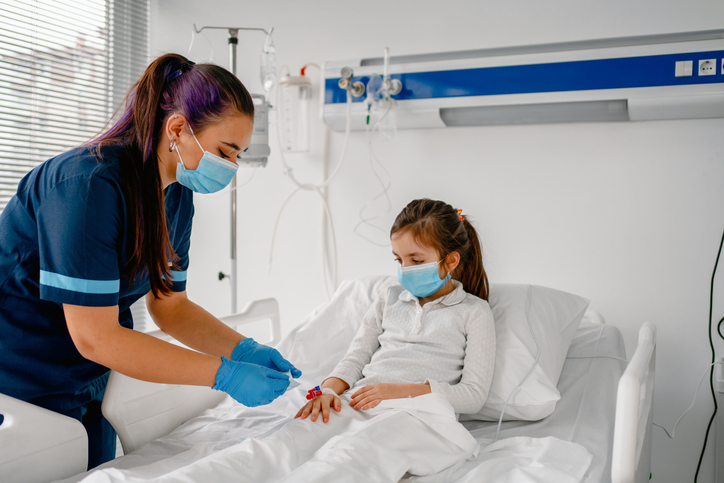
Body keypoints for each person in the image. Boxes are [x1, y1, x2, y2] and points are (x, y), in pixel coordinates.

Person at [0, 53, 300, 469]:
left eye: (238, 156)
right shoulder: (86, 186)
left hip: (91, 376)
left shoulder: (176, 195)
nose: (231, 167)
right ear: (177, 128)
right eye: (226, 151)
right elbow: (95, 336)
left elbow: (171, 307)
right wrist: (222, 375)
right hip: (21, 378)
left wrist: (243, 350)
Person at [143, 198, 495, 483]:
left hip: (418, 416)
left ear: (450, 261)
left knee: (348, 459)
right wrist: (328, 391)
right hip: (358, 402)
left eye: (416, 260)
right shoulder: (388, 298)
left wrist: (400, 391)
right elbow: (355, 358)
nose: (404, 270)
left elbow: (474, 395)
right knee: (281, 444)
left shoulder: (474, 313)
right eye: (399, 260)